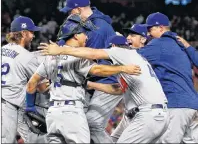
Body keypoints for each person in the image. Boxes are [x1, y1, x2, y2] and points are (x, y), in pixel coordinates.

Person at [28, 15, 141, 143]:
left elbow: (32, 84)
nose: (87, 36)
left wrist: (30, 106)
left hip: (52, 115)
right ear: (76, 35)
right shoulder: (78, 56)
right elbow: (98, 70)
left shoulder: (50, 57)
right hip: (72, 113)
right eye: (85, 33)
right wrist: (123, 68)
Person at [38, 34, 170, 143]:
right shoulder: (132, 60)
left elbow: (93, 54)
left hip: (148, 115)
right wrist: (88, 84)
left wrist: (61, 50)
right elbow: (117, 90)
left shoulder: (121, 52)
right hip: (156, 115)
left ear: (112, 47)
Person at [60, 0, 122, 143]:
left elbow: (88, 59)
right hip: (93, 82)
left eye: (70, 11)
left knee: (92, 125)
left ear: (78, 9)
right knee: (79, 126)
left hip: (107, 80)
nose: (69, 14)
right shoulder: (87, 24)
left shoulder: (97, 28)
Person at [137, 12, 198, 143]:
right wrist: (188, 46)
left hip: (176, 104)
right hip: (192, 105)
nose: (148, 34)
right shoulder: (181, 44)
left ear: (161, 28)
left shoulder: (159, 44)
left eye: (150, 29)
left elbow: (133, 58)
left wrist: (123, 45)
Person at [1, 16, 48, 143]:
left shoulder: (2, 50)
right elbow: (43, 88)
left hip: (11, 104)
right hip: (9, 105)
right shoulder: (26, 56)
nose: (33, 36)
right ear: (23, 33)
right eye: (31, 32)